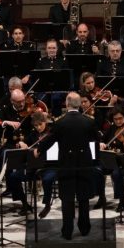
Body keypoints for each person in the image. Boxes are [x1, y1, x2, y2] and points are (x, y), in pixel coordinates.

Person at [35, 92, 100, 239]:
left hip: (66, 164)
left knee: (67, 198)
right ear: (79, 104)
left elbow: (50, 139)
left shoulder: (60, 122)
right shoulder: (89, 121)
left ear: (67, 103)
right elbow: (96, 139)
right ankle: (84, 229)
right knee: (83, 198)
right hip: (84, 163)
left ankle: (67, 231)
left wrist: (39, 149)